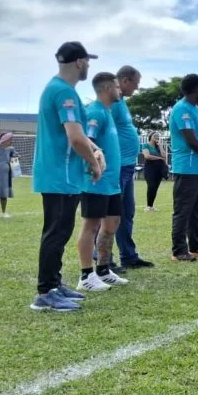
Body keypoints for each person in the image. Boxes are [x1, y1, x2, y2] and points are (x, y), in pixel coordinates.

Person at [30, 42, 100, 311]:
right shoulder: (63, 92)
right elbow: (74, 137)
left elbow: (80, 135)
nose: (89, 66)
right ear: (80, 62)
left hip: (65, 175)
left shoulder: (62, 90)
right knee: (56, 233)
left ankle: (55, 284)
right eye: (88, 61)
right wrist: (93, 162)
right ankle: (45, 292)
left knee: (61, 231)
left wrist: (96, 149)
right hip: (60, 175)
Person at [75, 72, 129, 291]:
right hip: (96, 181)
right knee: (91, 225)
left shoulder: (108, 113)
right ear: (107, 89)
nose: (120, 90)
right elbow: (86, 138)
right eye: (117, 87)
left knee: (112, 223)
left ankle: (103, 270)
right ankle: (86, 276)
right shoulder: (96, 112)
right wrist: (95, 158)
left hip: (111, 184)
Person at [168, 74, 198, 261]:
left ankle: (196, 244)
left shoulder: (196, 110)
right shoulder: (182, 109)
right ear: (196, 89)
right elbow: (190, 139)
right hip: (187, 168)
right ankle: (179, 250)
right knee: (183, 210)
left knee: (197, 209)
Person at [0, 132, 17, 218]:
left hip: (6, 173)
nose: (10, 141)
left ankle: (4, 212)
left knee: (4, 193)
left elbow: (14, 156)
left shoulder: (11, 149)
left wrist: (17, 157)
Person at [141, 132, 166, 212]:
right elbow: (147, 156)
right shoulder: (146, 145)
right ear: (150, 136)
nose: (157, 137)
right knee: (151, 186)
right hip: (149, 169)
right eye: (155, 136)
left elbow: (164, 155)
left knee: (155, 187)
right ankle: (148, 206)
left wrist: (161, 146)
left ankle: (151, 206)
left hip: (159, 169)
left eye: (158, 136)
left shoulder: (158, 146)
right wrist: (159, 158)